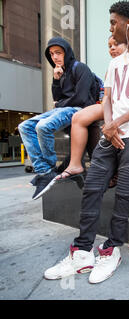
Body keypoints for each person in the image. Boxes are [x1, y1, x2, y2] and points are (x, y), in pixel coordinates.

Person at [43, 1, 129, 284]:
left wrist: (117, 124)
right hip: (111, 134)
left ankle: (111, 249)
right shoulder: (115, 62)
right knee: (91, 189)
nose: (111, 27)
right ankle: (82, 253)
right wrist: (109, 125)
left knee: (124, 194)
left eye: (114, 22)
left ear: (128, 24)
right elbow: (107, 99)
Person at [18, 37, 98, 200]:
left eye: (58, 53)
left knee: (43, 126)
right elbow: (56, 99)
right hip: (64, 110)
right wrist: (56, 80)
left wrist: (60, 103)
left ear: (66, 52)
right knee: (24, 126)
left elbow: (81, 98)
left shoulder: (80, 68)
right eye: (52, 54)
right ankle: (45, 171)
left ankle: (49, 168)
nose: (55, 57)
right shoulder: (60, 72)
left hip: (79, 109)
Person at [54, 36, 127, 181]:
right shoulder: (111, 68)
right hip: (111, 105)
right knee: (81, 117)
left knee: (90, 121)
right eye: (109, 46)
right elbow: (107, 97)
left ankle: (105, 167)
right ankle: (75, 164)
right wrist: (107, 118)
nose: (112, 48)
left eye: (116, 44)